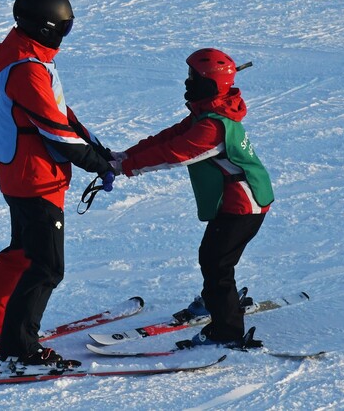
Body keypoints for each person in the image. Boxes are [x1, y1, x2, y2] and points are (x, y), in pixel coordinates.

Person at [0, 0, 117, 366]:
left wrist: (101, 149)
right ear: (48, 28)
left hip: (27, 174)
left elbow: (63, 114)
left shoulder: (30, 59)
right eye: (65, 26)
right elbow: (55, 130)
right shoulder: (27, 69)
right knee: (47, 266)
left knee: (22, 253)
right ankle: (19, 347)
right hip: (35, 178)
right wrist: (96, 162)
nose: (66, 33)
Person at [112, 48, 274, 348]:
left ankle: (225, 331)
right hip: (235, 200)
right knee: (215, 257)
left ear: (210, 83)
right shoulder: (207, 114)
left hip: (244, 204)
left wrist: (125, 167)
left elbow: (175, 153)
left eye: (193, 77)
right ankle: (215, 298)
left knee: (216, 262)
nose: (187, 83)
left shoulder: (212, 127)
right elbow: (167, 138)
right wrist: (124, 155)